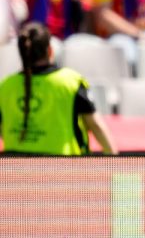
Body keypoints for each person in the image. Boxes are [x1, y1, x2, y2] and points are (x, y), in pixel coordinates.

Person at [0, 22, 117, 155]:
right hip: (62, 170)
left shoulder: (5, 86)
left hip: (15, 171)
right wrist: (115, 166)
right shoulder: (70, 82)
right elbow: (95, 125)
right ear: (50, 50)